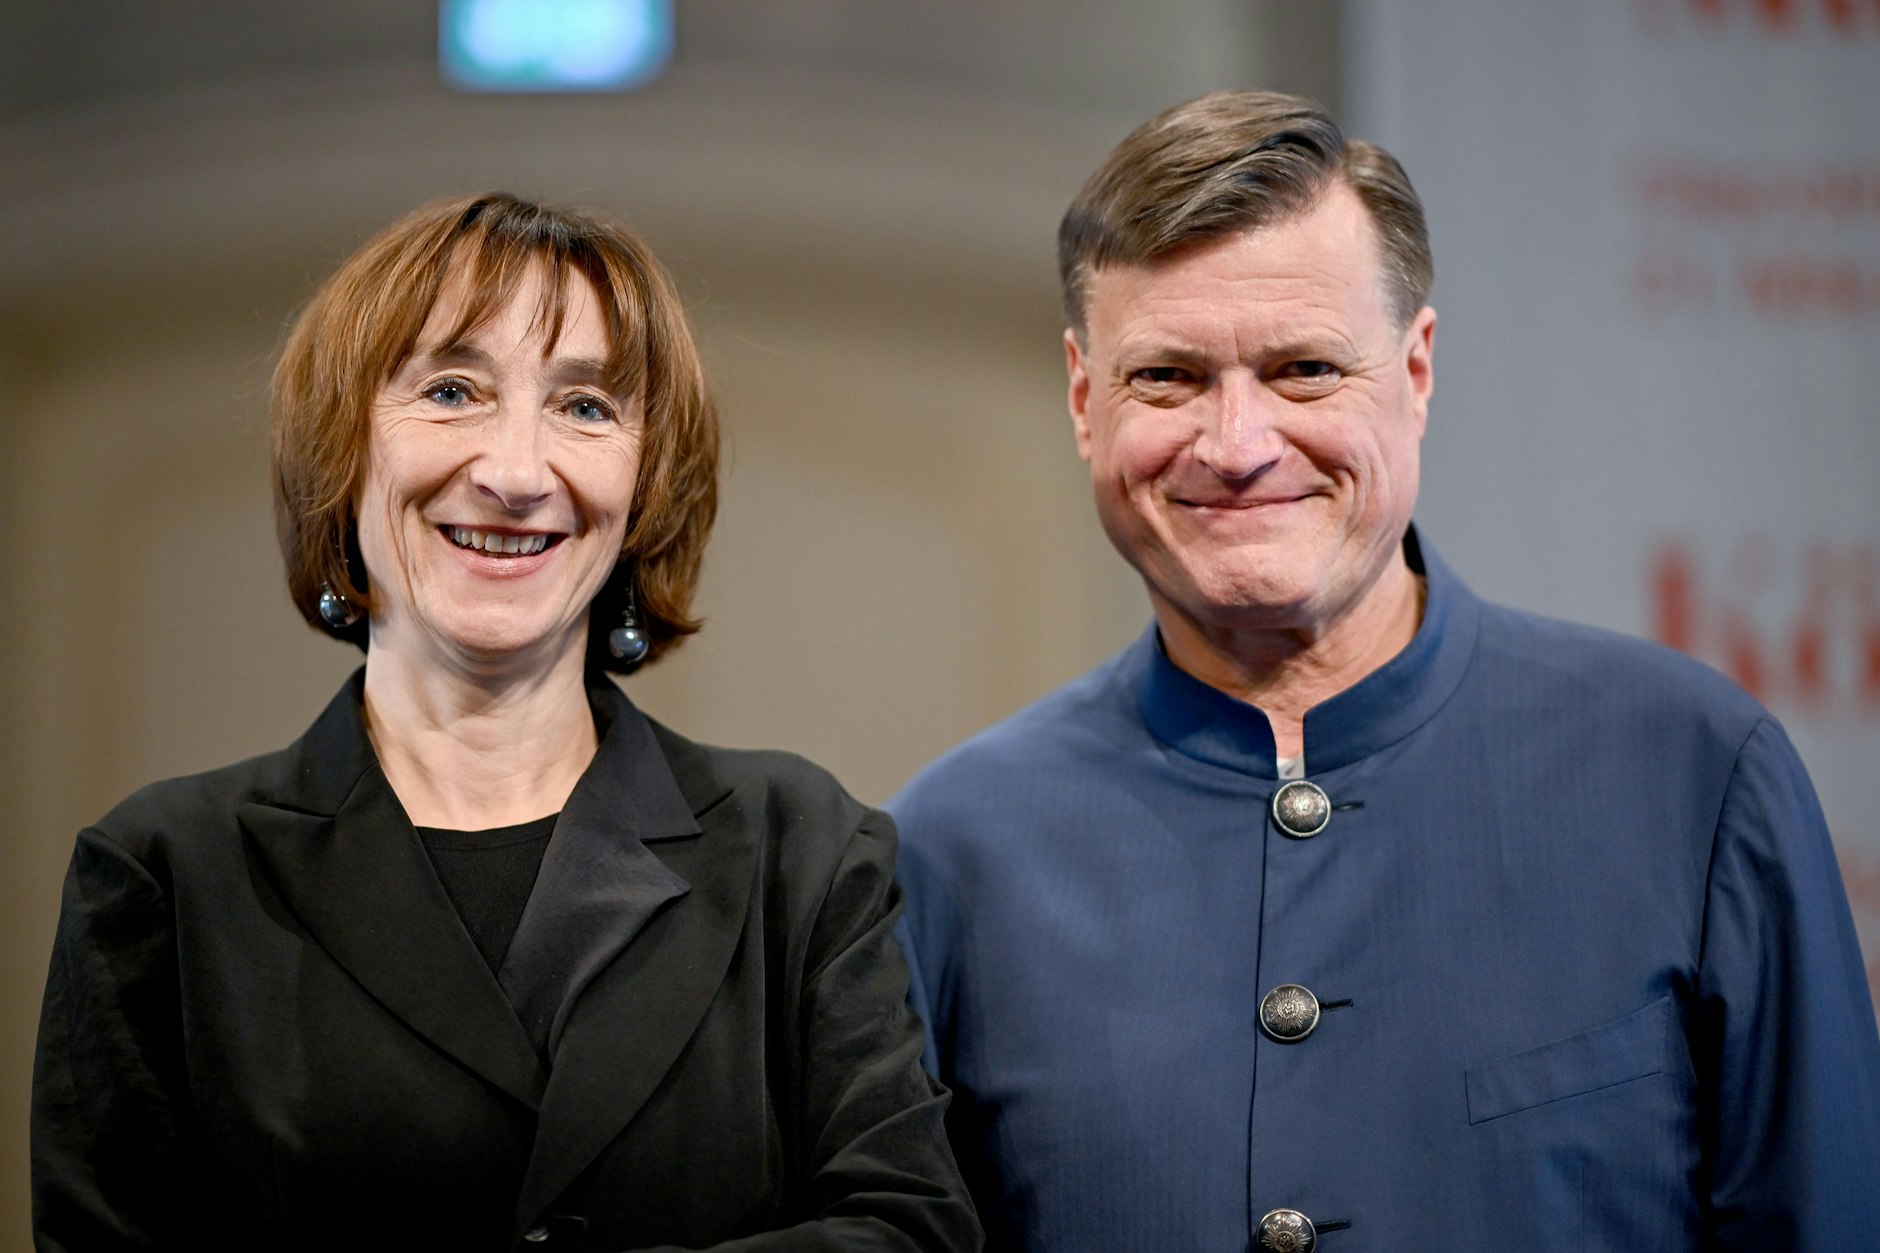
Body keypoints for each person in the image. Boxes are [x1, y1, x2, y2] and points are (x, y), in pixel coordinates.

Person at [889, 91, 1880, 1251]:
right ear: (1081, 399)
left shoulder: (1690, 772)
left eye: (1304, 368)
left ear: (1413, 371)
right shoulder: (949, 846)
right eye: (1165, 377)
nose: (1237, 446)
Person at [33, 192, 980, 1252]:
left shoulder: (799, 845)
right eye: (451, 390)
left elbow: (910, 1228)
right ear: (341, 448)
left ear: (645, 478)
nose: (518, 473)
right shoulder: (165, 873)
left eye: (584, 407)